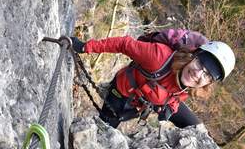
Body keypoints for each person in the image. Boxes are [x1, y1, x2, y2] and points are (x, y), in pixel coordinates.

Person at [71, 32, 235, 128]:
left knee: (196, 127)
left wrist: (170, 107)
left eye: (207, 75)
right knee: (108, 125)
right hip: (121, 93)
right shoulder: (158, 57)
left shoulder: (192, 86)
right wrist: (86, 47)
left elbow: (176, 95)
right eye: (200, 63)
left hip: (142, 104)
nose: (198, 74)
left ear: (209, 83)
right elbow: (124, 44)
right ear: (193, 56)